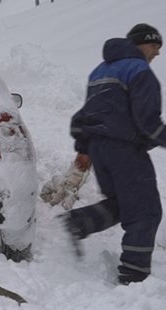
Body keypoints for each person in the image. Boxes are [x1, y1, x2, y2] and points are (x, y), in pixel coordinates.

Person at [61, 23, 164, 285]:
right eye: (155, 45)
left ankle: (79, 223)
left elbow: (88, 114)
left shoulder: (100, 71)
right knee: (146, 211)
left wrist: (85, 149)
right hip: (124, 151)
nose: (158, 52)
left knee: (124, 203)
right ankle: (134, 277)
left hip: (100, 150)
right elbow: (148, 122)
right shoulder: (140, 71)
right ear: (141, 43)